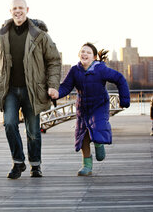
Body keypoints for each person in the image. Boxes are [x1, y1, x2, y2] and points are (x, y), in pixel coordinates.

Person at [0, 0, 61, 179]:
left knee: (33, 130)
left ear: (27, 10)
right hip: (9, 89)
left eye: (21, 8)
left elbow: (54, 61)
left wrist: (52, 85)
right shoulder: (0, 35)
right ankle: (18, 162)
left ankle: (35, 165)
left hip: (33, 90)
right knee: (9, 124)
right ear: (10, 11)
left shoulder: (40, 35)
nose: (18, 11)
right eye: (14, 8)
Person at [49, 43, 130, 176]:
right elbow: (66, 86)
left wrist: (125, 100)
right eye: (82, 52)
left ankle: (99, 144)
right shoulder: (75, 70)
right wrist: (57, 93)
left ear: (93, 57)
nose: (84, 54)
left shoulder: (101, 69)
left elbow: (120, 79)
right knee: (83, 136)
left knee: (98, 127)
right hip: (82, 108)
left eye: (88, 52)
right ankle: (86, 166)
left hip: (99, 106)